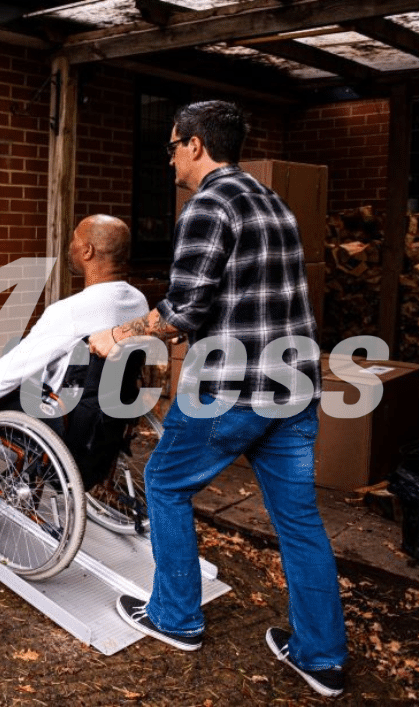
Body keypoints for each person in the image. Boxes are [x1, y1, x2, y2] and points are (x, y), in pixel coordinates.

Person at [87, 101, 347, 698]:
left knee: (165, 484)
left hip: (230, 390)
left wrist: (117, 335)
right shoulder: (270, 201)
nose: (171, 156)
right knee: (300, 522)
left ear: (197, 145)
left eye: (174, 144)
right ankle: (322, 657)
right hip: (295, 387)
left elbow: (184, 310)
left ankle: (175, 618)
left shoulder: (207, 205)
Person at [0, 214, 148, 424]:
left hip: (55, 412)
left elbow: (13, 369)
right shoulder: (139, 302)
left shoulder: (70, 310)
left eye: (74, 239)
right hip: (101, 417)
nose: (70, 247)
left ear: (88, 251)